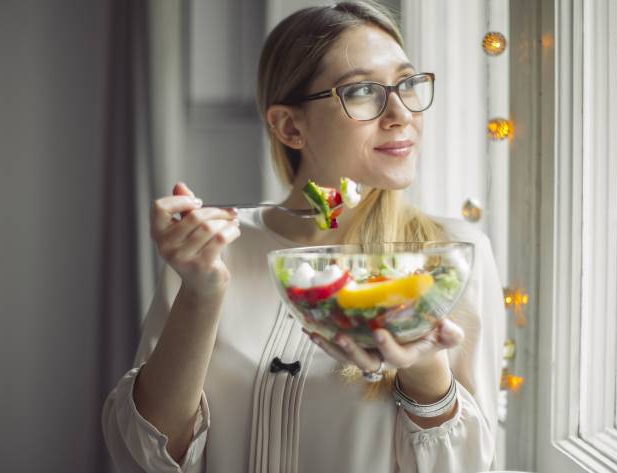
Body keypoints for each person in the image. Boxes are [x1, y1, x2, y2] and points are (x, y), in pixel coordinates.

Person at [102, 2, 505, 472]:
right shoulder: (211, 255)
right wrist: (201, 294)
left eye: (408, 83)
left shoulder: (452, 259)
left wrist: (424, 370)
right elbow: (144, 457)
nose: (401, 113)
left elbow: (471, 467)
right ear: (290, 126)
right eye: (361, 91)